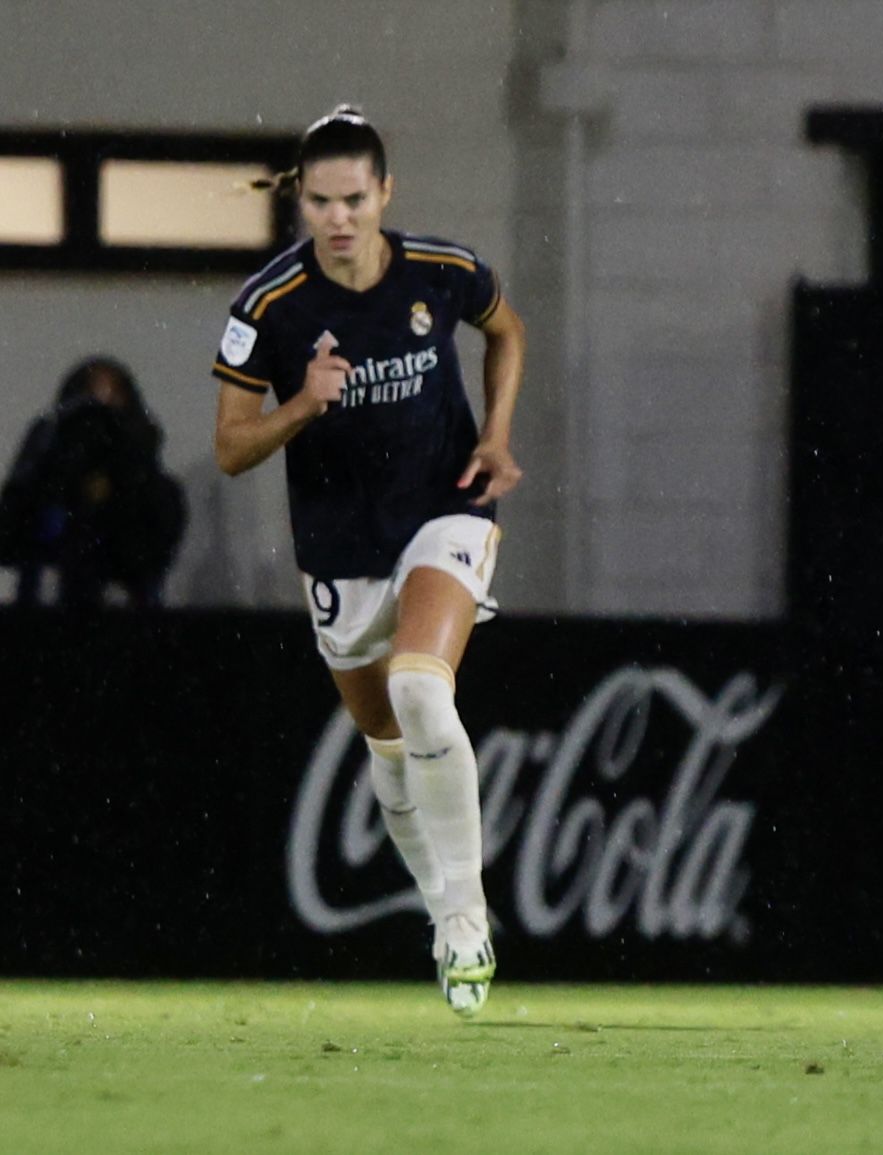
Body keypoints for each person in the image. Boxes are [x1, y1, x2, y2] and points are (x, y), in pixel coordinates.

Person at [211, 106, 527, 1017]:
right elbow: (231, 450)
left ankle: (467, 922)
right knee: (386, 747)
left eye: (355, 198)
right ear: (299, 203)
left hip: (445, 509)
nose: (339, 218)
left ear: (385, 192)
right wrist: (303, 405)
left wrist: (497, 435)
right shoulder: (267, 308)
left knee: (424, 691)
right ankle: (441, 910)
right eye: (321, 202)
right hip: (340, 550)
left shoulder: (444, 271)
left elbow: (507, 329)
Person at [0, 356, 186, 608]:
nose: (96, 420)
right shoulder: (47, 463)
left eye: (112, 402)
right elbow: (12, 535)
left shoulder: (147, 483)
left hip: (130, 615)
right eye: (87, 398)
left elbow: (153, 544)